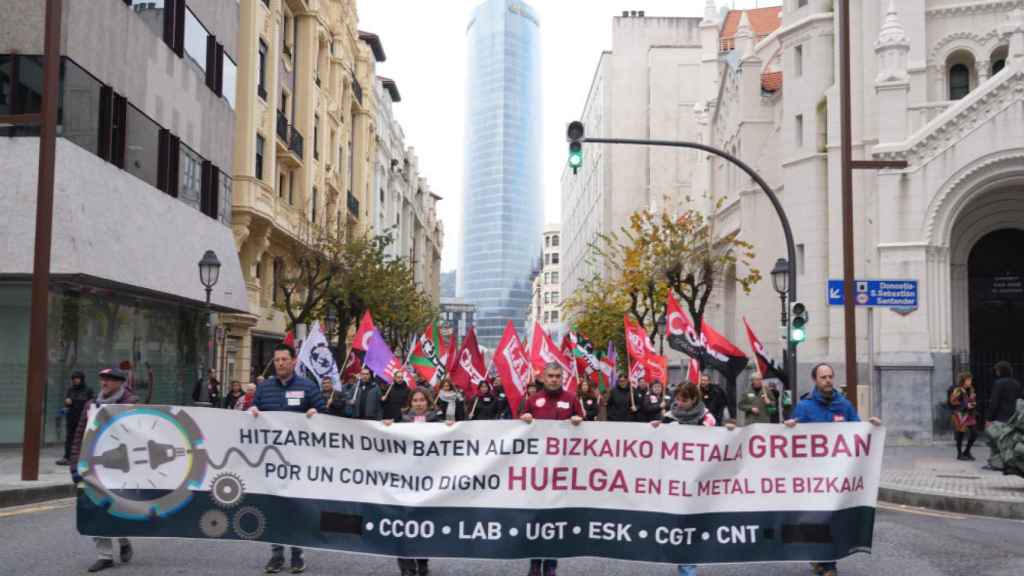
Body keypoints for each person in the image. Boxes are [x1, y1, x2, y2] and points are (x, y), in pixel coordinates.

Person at [785, 363, 881, 576]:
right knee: (816, 518)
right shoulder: (804, 406)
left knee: (834, 517)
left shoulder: (844, 405)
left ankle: (827, 562)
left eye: (830, 376)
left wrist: (870, 426)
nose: (828, 380)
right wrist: (789, 427)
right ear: (815, 380)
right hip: (813, 475)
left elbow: (857, 431)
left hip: (838, 475)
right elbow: (790, 439)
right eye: (823, 377)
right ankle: (823, 560)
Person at [249, 343, 325, 574]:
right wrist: (251, 411)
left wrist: (316, 414)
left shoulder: (308, 387)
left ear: (294, 362)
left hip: (298, 461)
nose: (280, 363)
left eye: (284, 359)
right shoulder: (264, 389)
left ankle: (297, 553)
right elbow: (252, 412)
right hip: (271, 460)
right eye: (277, 360)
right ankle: (276, 555)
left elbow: (325, 416)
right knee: (273, 508)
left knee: (296, 508)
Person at [650, 382, 732, 576]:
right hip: (674, 481)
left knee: (691, 524)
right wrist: (655, 428)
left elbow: (717, 443)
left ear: (694, 399)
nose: (679, 402)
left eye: (684, 399)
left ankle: (688, 567)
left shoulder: (707, 419)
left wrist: (729, 431)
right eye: (677, 398)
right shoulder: (670, 417)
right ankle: (683, 562)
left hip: (698, 481)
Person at [69, 368, 137, 573]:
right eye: (102, 380)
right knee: (94, 508)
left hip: (122, 467)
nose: (104, 383)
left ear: (120, 383)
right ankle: (105, 556)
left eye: (109, 380)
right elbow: (79, 434)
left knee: (116, 508)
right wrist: (74, 464)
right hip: (94, 465)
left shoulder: (131, 403)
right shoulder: (91, 405)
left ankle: (123, 539)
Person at [520, 362, 584, 576]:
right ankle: (535, 561)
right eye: (551, 376)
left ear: (562, 378)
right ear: (543, 378)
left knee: (557, 518)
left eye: (558, 376)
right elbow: (517, 432)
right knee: (536, 516)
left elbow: (586, 430)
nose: (554, 379)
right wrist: (524, 420)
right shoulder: (531, 400)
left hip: (562, 471)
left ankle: (551, 564)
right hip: (537, 470)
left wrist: (579, 421)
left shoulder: (572, 400)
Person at [382, 388, 452, 575]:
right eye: (415, 400)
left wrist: (451, 429)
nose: (419, 403)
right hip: (403, 480)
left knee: (422, 524)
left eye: (422, 400)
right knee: (402, 523)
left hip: (426, 481)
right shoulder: (401, 421)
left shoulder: (437, 421)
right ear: (410, 403)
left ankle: (422, 561)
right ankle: (406, 566)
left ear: (428, 403)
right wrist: (386, 427)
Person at [57, 370, 94, 466]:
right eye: (74, 379)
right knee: (69, 437)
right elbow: (67, 403)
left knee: (82, 437)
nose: (76, 381)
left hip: (83, 418)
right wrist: (67, 402)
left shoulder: (88, 390)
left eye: (78, 378)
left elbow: (92, 403)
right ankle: (67, 457)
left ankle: (81, 457)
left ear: (82, 379)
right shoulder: (71, 390)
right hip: (71, 417)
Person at [949, 371, 978, 461]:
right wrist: (966, 405)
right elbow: (952, 401)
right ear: (963, 381)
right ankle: (959, 454)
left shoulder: (971, 389)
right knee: (960, 434)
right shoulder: (958, 390)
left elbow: (972, 400)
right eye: (968, 380)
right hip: (959, 414)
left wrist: (973, 403)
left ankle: (967, 451)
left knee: (974, 433)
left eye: (970, 380)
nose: (970, 382)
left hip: (969, 414)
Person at [986, 360, 1022, 426]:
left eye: (997, 370)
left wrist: (989, 418)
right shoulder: (1016, 383)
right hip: (1014, 418)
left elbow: (994, 402)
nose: (996, 372)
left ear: (1001, 371)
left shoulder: (998, 383)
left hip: (1000, 418)